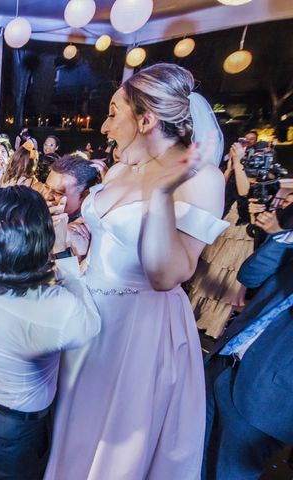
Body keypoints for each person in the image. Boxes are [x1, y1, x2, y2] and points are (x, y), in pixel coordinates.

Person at [45, 63, 229, 479]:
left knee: (116, 446)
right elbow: (108, 239)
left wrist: (162, 193)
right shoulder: (123, 166)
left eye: (114, 112)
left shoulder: (202, 179)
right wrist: (71, 237)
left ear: (146, 119)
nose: (105, 125)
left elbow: (169, 275)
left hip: (138, 332)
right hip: (89, 319)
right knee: (75, 430)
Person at [0, 186, 100, 480]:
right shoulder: (54, 309)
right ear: (38, 246)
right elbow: (90, 323)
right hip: (16, 426)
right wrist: (63, 253)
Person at [202, 229, 293, 480]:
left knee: (228, 474)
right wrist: (287, 238)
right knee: (188, 457)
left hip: (269, 395)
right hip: (223, 363)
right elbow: (250, 276)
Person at [189, 138, 255, 338]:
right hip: (223, 223)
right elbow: (221, 186)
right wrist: (229, 166)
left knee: (226, 275)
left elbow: (245, 191)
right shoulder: (232, 164)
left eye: (249, 142)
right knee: (206, 271)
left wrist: (239, 163)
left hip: (240, 229)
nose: (244, 144)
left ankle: (212, 324)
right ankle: (192, 316)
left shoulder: (253, 167)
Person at [42, 154, 101, 222]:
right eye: (46, 187)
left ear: (84, 196)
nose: (47, 196)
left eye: (58, 193)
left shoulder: (92, 226)